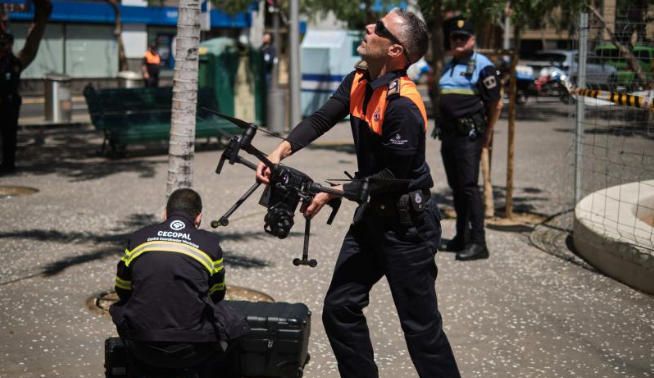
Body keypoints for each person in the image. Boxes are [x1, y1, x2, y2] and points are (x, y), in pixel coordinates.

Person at [256, 9, 460, 378]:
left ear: (396, 51)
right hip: (371, 217)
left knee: (421, 332)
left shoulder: (404, 106)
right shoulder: (360, 79)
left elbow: (393, 178)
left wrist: (336, 190)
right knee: (340, 308)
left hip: (408, 227)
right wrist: (277, 153)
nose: (369, 28)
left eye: (379, 28)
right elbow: (321, 119)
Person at [110, 188, 248, 377]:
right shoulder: (209, 244)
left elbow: (122, 290)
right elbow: (217, 294)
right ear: (198, 217)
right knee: (234, 322)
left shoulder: (138, 238)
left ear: (165, 213)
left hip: (141, 343)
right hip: (193, 349)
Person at [435, 18, 502, 261]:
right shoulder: (449, 64)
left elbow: (496, 103)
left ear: (473, 40)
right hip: (449, 136)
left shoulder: (484, 66)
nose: (459, 41)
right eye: (455, 37)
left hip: (469, 136)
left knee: (469, 189)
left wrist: (489, 132)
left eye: (464, 37)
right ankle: (461, 237)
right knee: (458, 189)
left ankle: (479, 243)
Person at [0, 0, 51, 175]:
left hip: (9, 103)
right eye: (3, 44)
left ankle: (8, 164)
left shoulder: (14, 62)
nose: (5, 47)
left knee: (9, 136)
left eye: (7, 44)